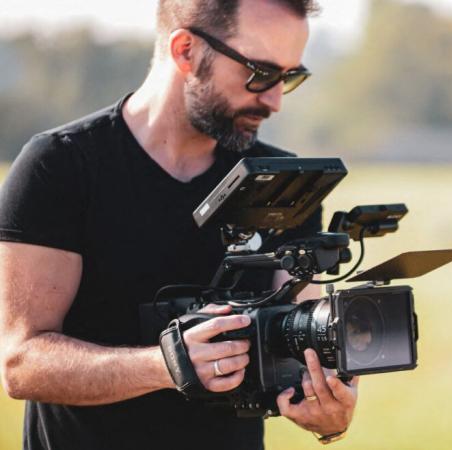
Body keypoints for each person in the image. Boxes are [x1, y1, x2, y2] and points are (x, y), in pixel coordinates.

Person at [0, 0, 358, 448]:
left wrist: (329, 408)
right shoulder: (61, 166)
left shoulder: (284, 183)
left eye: (289, 77)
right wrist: (164, 366)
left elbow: (306, 336)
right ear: (186, 50)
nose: (275, 100)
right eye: (260, 73)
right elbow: (20, 362)